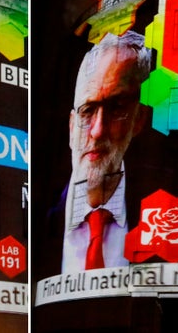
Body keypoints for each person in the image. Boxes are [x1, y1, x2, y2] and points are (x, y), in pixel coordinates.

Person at [61, 30, 152, 273]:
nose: (97, 131)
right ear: (72, 125)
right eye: (88, 111)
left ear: (139, 119)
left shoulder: (157, 218)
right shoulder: (40, 217)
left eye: (116, 109)